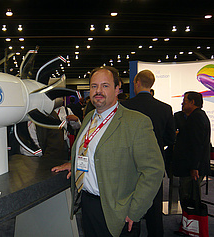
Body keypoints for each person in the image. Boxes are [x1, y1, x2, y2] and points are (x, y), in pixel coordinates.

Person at [52, 66, 165, 237]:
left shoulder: (136, 122)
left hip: (117, 209)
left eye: (105, 86)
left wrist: (135, 210)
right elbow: (92, 149)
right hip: (88, 203)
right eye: (93, 86)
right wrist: (73, 162)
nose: (98, 91)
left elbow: (153, 170)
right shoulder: (89, 117)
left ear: (118, 88)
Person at [121, 70, 176, 237]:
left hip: (129, 164)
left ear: (136, 82)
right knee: (154, 205)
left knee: (130, 203)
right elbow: (170, 138)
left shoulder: (125, 106)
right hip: (155, 162)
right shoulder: (165, 108)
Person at [172, 91, 211, 208]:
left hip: (192, 168)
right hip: (191, 166)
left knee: (188, 196)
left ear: (192, 102)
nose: (182, 104)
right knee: (188, 194)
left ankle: (190, 223)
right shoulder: (197, 116)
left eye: (185, 101)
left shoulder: (196, 118)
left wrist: (194, 167)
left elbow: (196, 144)